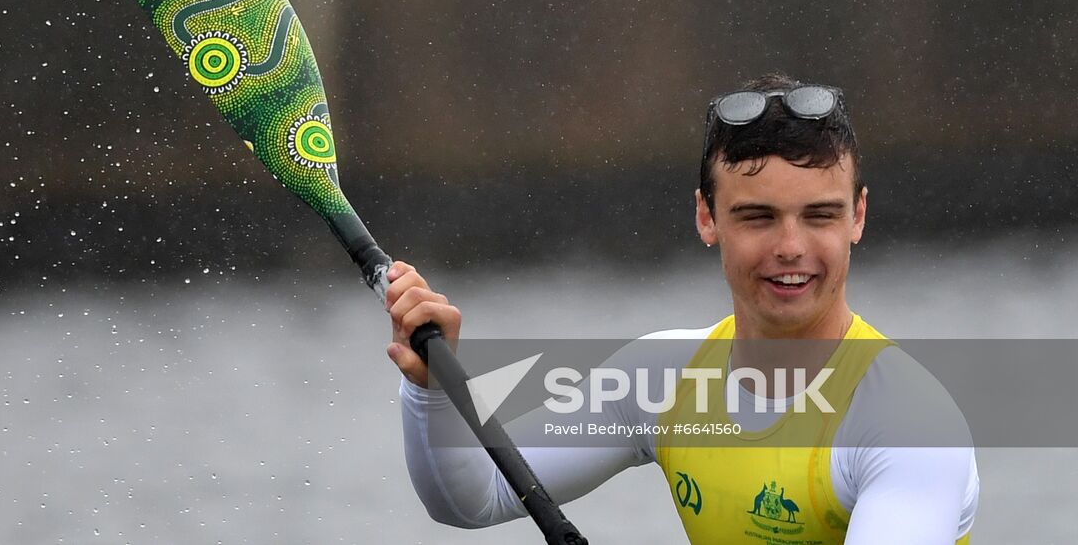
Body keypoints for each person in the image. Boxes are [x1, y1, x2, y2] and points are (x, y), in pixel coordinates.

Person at [386, 74, 979, 543]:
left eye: (819, 215)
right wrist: (432, 389)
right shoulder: (661, 377)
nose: (791, 248)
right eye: (758, 217)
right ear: (706, 218)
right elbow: (477, 496)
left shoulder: (907, 424)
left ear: (858, 217)